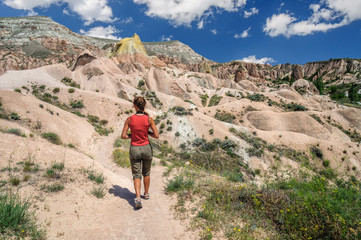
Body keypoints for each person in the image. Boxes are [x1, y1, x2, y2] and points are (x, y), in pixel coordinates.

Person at [121, 96, 159, 209]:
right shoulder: (149, 119)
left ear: (135, 106)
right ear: (144, 105)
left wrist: (132, 136)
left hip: (135, 148)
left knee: (136, 175)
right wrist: (147, 133)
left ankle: (137, 197)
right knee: (146, 173)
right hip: (147, 148)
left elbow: (123, 136)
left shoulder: (130, 119)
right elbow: (156, 135)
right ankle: (146, 194)